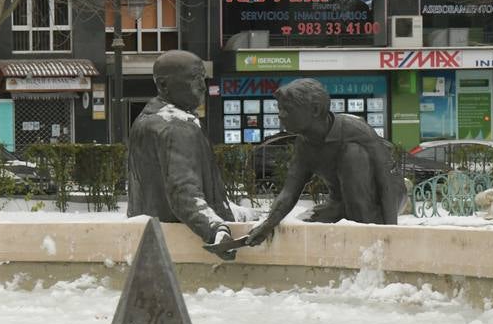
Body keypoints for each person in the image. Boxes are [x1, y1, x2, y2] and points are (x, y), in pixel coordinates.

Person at [245, 78, 406, 245]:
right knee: (311, 220)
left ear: (314, 110)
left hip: (384, 198)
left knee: (352, 155)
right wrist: (267, 225)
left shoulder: (355, 129)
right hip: (344, 200)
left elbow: (385, 180)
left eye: (288, 109)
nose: (280, 115)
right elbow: (289, 192)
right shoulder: (304, 145)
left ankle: (362, 230)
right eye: (280, 109)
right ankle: (347, 213)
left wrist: (391, 233)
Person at [127, 49, 237, 254]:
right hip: (177, 246)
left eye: (203, 78)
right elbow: (183, 192)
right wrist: (215, 230)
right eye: (195, 79)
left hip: (149, 239)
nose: (203, 86)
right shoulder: (176, 127)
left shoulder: (146, 119)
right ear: (163, 85)